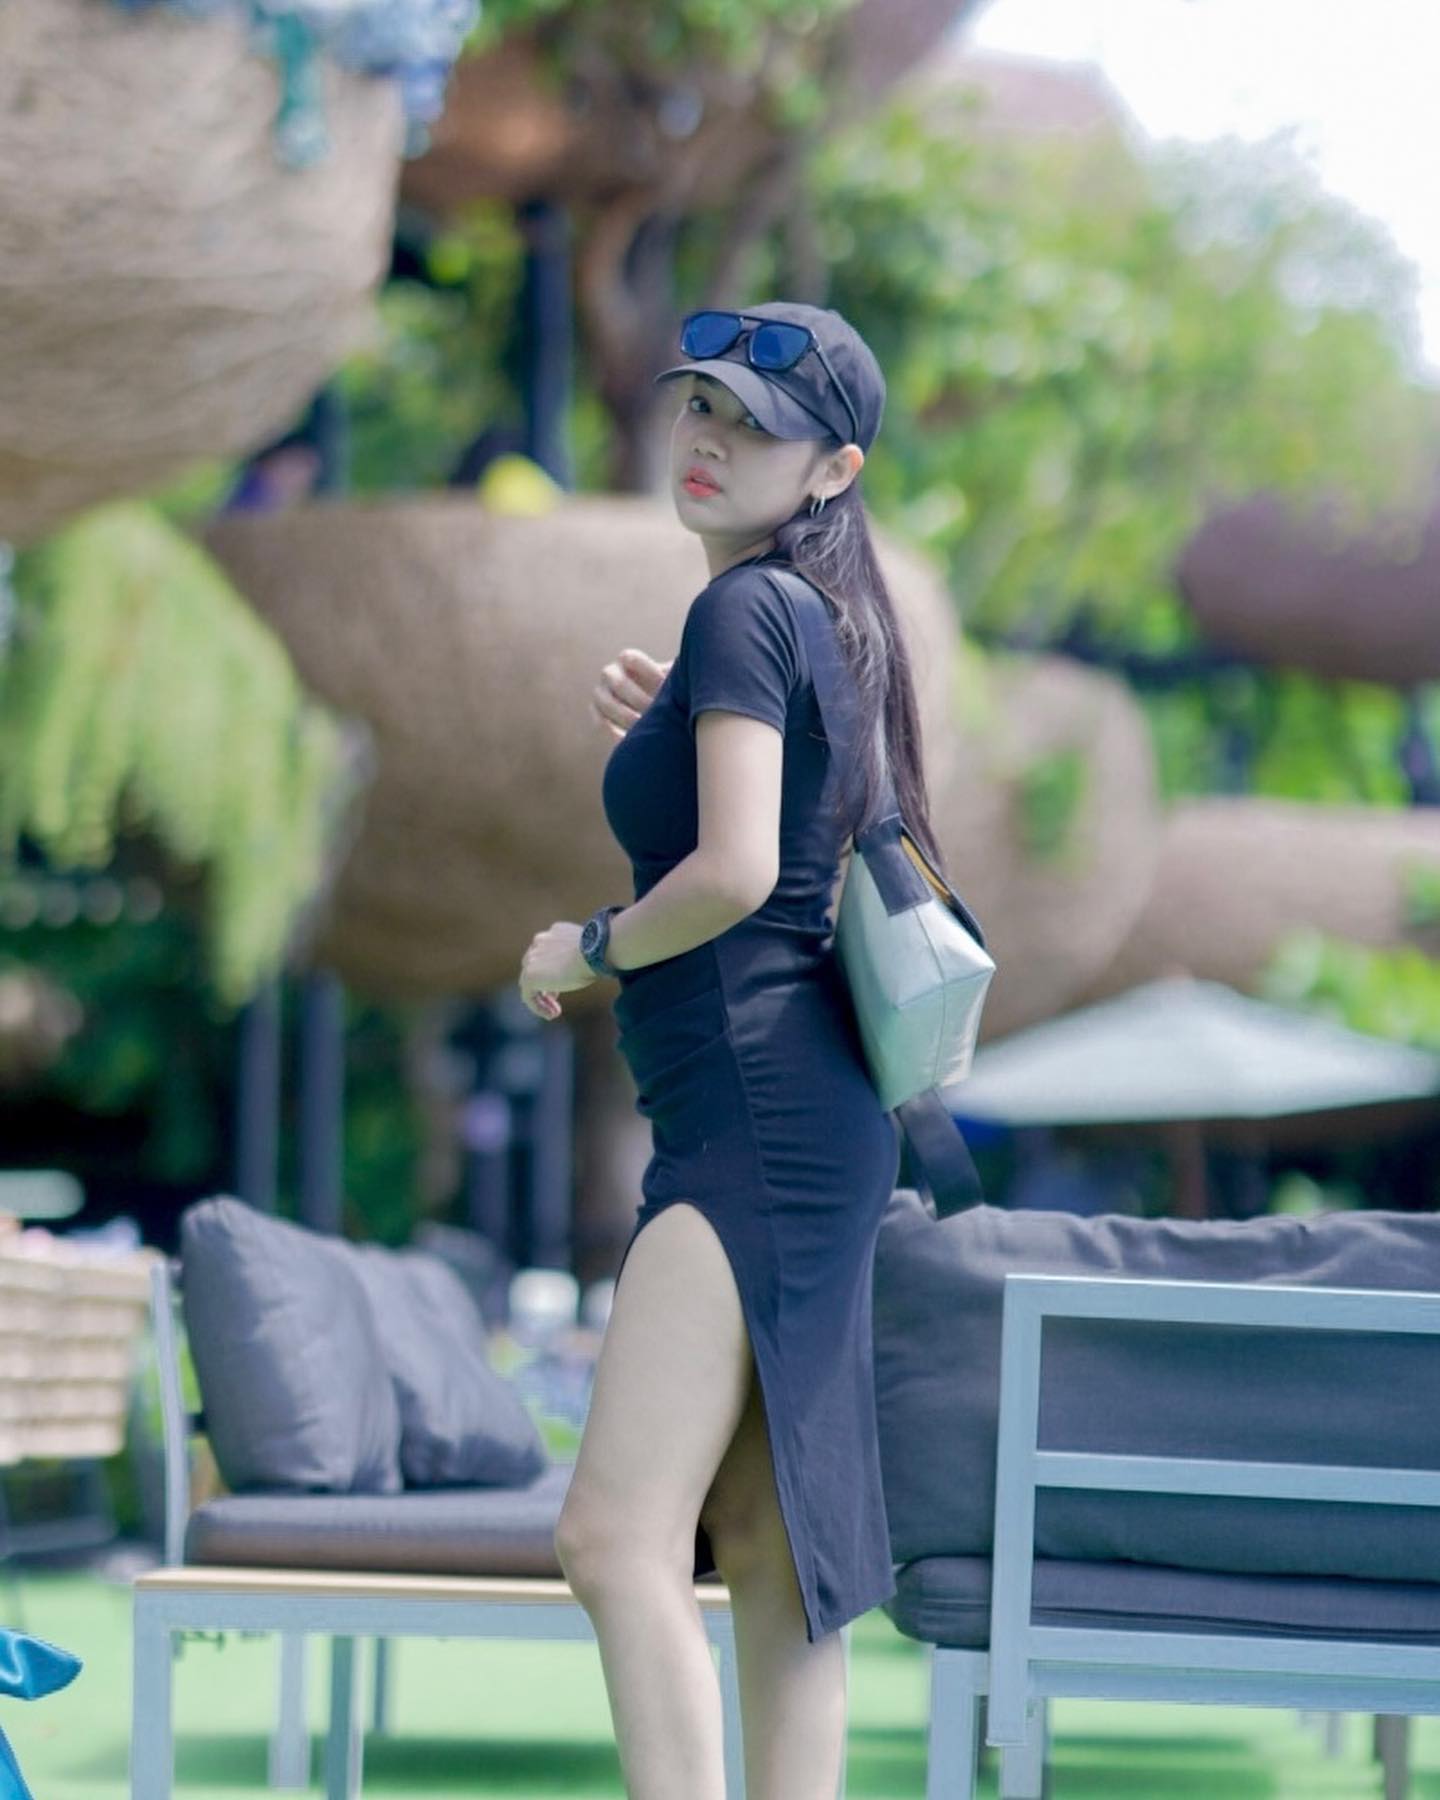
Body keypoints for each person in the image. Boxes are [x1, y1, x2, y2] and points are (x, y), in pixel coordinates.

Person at [517, 302, 949, 1799]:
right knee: (771, 1551)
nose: (707, 440)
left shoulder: (748, 613)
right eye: (700, 406)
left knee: (613, 1537)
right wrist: (683, 719)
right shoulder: (806, 619)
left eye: (754, 428)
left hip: (753, 1123)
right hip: (798, 1118)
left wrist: (584, 949)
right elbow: (785, 811)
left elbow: (738, 874)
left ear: (832, 470)